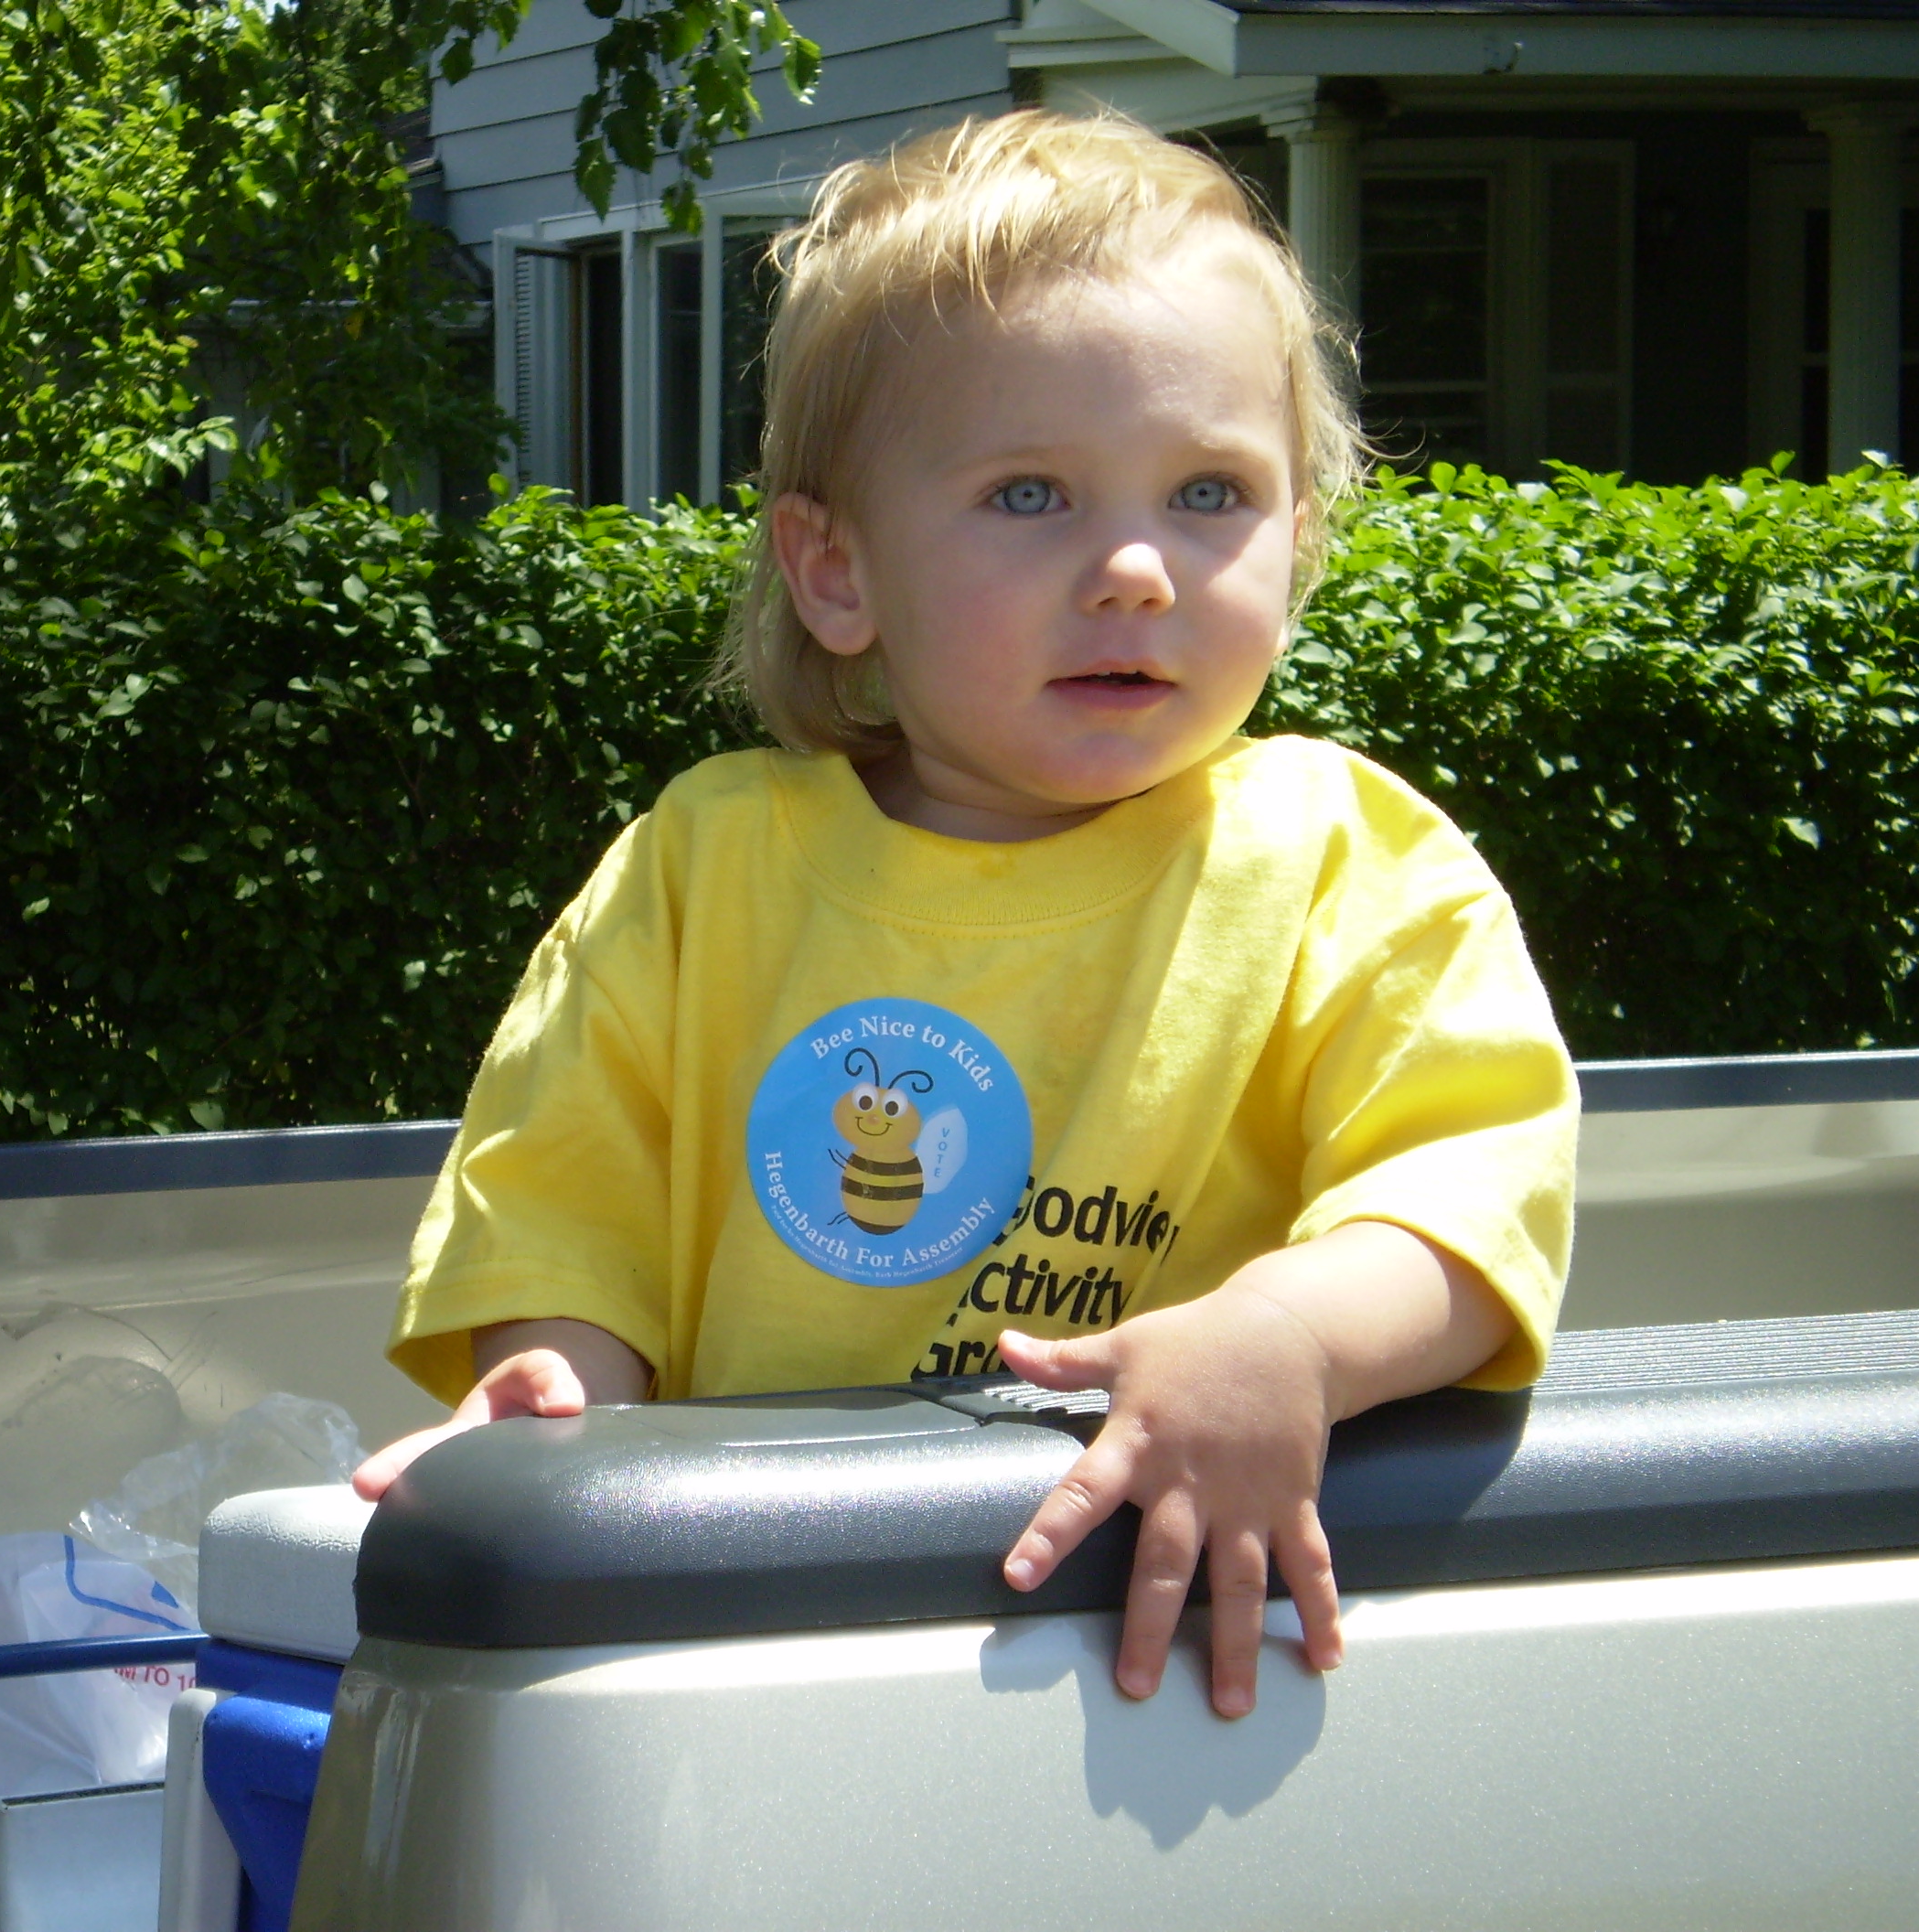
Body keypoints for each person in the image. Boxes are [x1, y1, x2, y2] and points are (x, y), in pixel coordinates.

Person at [351, 110, 1575, 1721]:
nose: (1137, 566)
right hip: (757, 1651)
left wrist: (1286, 1337)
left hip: (1182, 1661)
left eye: (1211, 491)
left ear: (1301, 541)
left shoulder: (1352, 860)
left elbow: (1474, 1203)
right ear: (837, 569)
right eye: (1028, 498)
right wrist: (562, 1393)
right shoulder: (698, 874)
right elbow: (567, 1211)